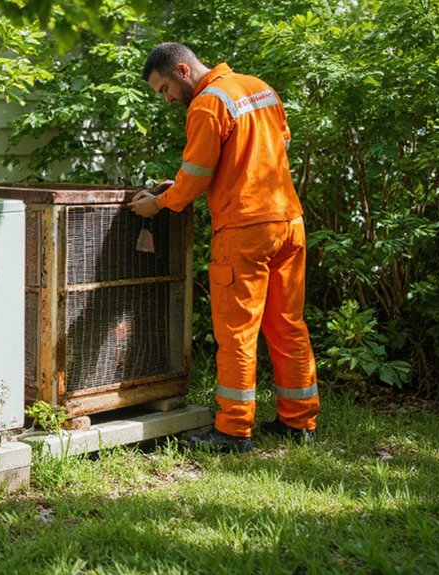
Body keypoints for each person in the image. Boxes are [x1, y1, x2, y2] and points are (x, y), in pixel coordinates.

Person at [129, 42, 320, 453]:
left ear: (182, 71)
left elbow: (196, 175)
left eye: (164, 89)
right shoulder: (258, 87)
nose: (166, 99)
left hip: (244, 231)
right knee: (288, 327)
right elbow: (277, 145)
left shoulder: (206, 105)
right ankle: (300, 422)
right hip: (289, 222)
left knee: (236, 333)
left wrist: (159, 202)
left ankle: (233, 431)